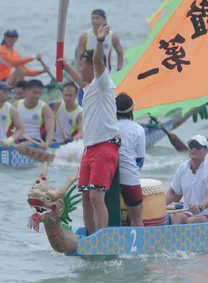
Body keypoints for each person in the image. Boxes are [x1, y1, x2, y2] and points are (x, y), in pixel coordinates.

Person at [59, 22, 120, 235]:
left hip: (105, 147)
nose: (80, 69)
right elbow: (80, 82)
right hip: (89, 149)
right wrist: (66, 67)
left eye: (81, 65)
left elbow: (97, 60)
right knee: (85, 197)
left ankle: (102, 237)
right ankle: (91, 235)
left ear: (92, 67)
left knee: (96, 196)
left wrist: (101, 41)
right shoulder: (90, 88)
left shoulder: (104, 84)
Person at [165, 135, 208, 224]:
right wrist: (158, 206)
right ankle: (178, 238)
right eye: (191, 146)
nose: (194, 149)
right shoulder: (182, 168)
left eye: (198, 146)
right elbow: (173, 193)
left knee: (192, 221)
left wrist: (200, 207)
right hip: (189, 212)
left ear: (205, 151)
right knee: (176, 216)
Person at [115, 93, 145, 227]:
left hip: (108, 179)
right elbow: (140, 160)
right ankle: (138, 246)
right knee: (137, 218)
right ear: (131, 110)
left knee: (108, 216)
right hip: (130, 180)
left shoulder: (107, 126)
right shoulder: (138, 129)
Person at [16, 79, 54, 149]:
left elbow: (50, 130)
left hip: (35, 141)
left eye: (40, 93)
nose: (38, 96)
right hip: (17, 140)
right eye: (35, 93)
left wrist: (47, 143)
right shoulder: (15, 106)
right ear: (26, 91)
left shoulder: (45, 108)